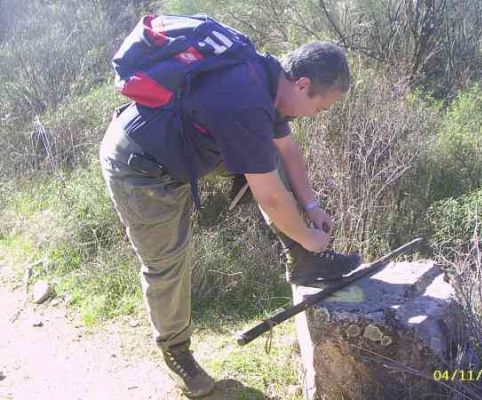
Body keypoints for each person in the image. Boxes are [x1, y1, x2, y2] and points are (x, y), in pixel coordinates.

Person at [99, 15, 361, 398]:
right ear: (303, 85)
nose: (315, 117)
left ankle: (302, 260)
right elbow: (269, 196)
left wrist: (311, 203)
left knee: (269, 157)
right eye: (320, 109)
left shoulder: (268, 77)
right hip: (141, 166)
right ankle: (176, 352)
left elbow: (287, 151)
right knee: (167, 262)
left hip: (181, 147)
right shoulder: (246, 99)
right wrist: (310, 236)